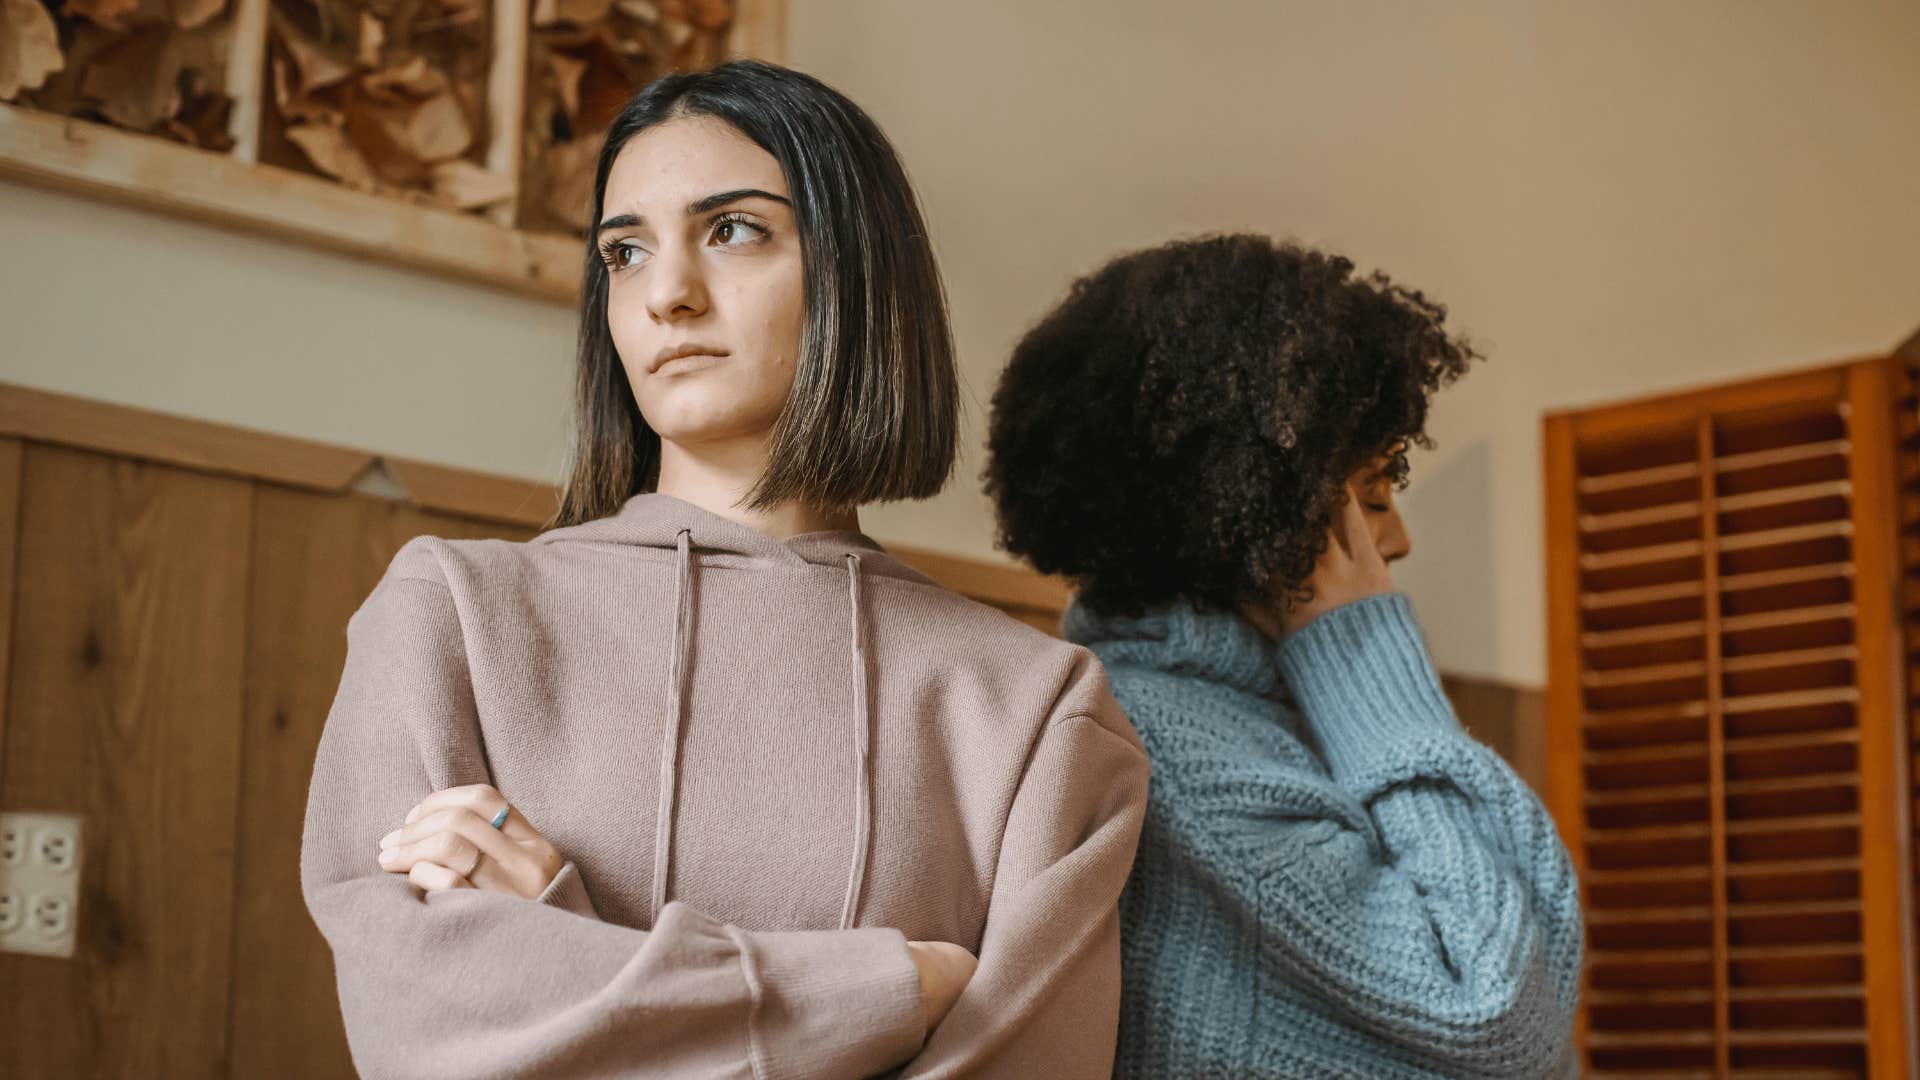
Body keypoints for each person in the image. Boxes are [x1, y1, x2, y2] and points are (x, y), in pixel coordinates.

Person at [302, 60, 1148, 1080]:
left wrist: (561, 947)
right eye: (625, 251)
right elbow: (420, 1040)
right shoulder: (452, 616)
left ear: (856, 272)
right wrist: (882, 993)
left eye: (734, 229)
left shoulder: (1035, 709)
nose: (668, 295)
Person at [983, 234, 1582, 1078]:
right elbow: (1497, 1019)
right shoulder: (1163, 747)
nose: (1398, 539)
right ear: (1247, 512)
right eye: (1372, 496)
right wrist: (1369, 655)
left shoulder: (1258, 714)